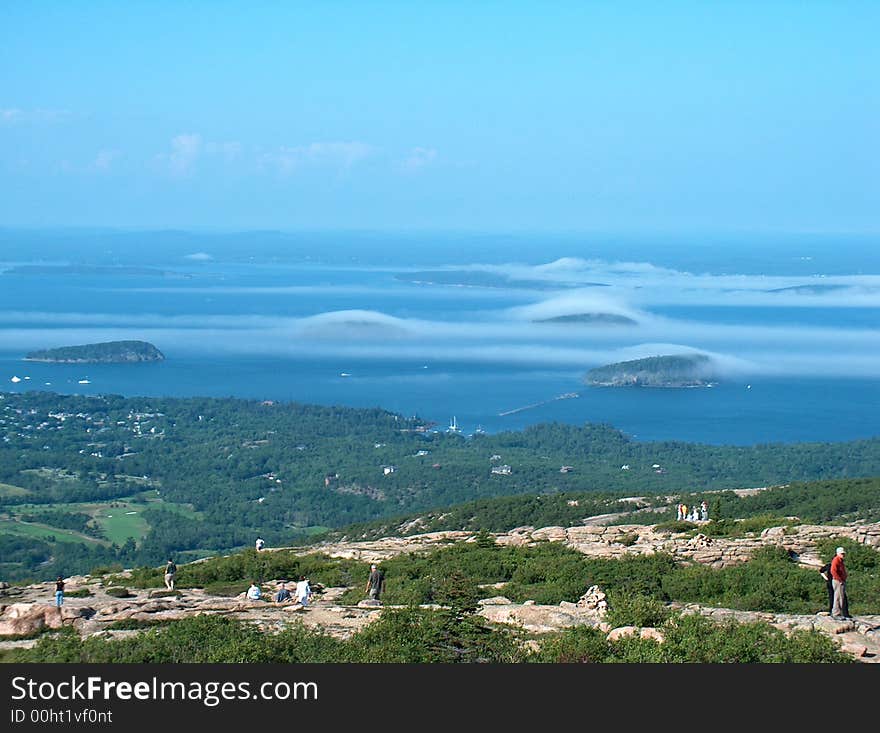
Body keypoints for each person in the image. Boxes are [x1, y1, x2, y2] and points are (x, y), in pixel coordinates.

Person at [830, 547, 851, 620]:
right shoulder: (836, 560)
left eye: (844, 553)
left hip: (840, 580)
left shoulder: (840, 560)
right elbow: (833, 571)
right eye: (842, 553)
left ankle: (839, 613)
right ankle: (836, 613)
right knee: (838, 597)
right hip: (838, 581)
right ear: (838, 553)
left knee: (841, 597)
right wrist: (839, 579)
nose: (843, 555)